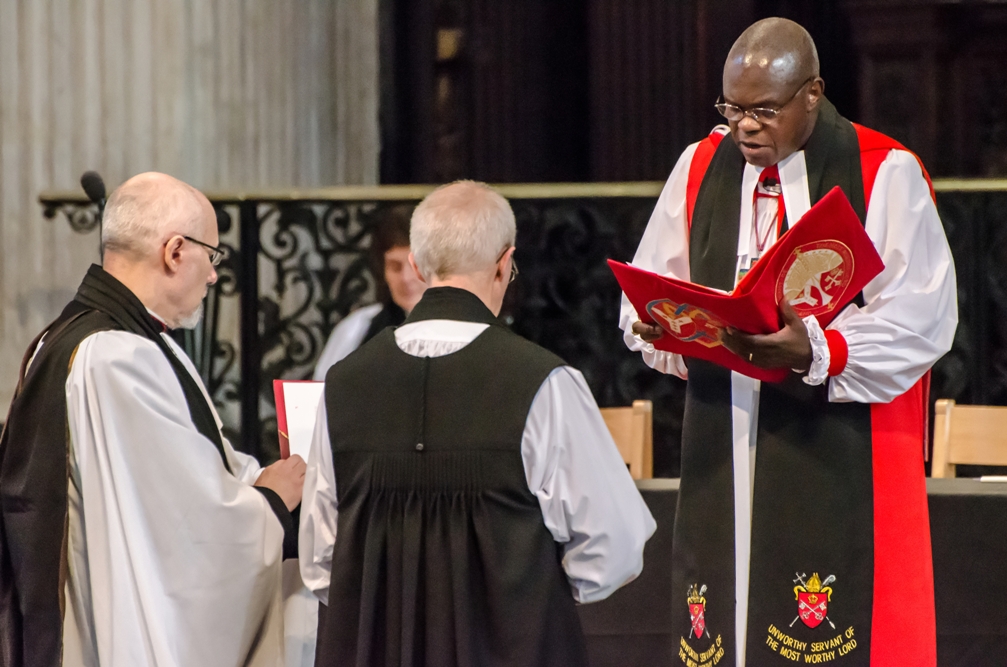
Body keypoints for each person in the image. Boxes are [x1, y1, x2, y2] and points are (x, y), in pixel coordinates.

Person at [621, 19, 956, 667]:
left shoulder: (882, 172)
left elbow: (922, 317)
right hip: (728, 434)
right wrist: (660, 330)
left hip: (835, 443)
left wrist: (814, 350)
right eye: (731, 107)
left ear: (812, 94)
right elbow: (651, 284)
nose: (744, 126)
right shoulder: (697, 167)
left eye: (762, 110)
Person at [301, 180, 656, 666]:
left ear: (419, 266)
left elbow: (322, 560)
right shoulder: (543, 383)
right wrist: (527, 598)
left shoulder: (341, 385)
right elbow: (615, 545)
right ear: (505, 264)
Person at [0, 172, 306, 667]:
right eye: (213, 255)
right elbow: (187, 525)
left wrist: (255, 479)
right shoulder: (116, 357)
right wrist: (270, 501)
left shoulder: (80, 338)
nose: (213, 275)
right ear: (175, 251)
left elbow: (197, 468)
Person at [312, 204, 426, 380]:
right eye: (395, 267)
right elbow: (321, 395)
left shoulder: (470, 331)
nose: (406, 277)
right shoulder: (357, 329)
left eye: (416, 266)